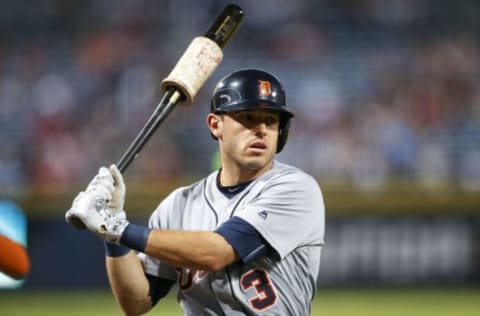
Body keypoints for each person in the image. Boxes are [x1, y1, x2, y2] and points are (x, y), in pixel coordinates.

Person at [66, 68, 325, 315]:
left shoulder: (296, 189)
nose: (261, 129)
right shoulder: (177, 205)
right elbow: (136, 303)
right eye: (247, 118)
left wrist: (115, 228)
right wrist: (113, 236)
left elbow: (216, 252)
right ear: (215, 125)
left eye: (270, 120)